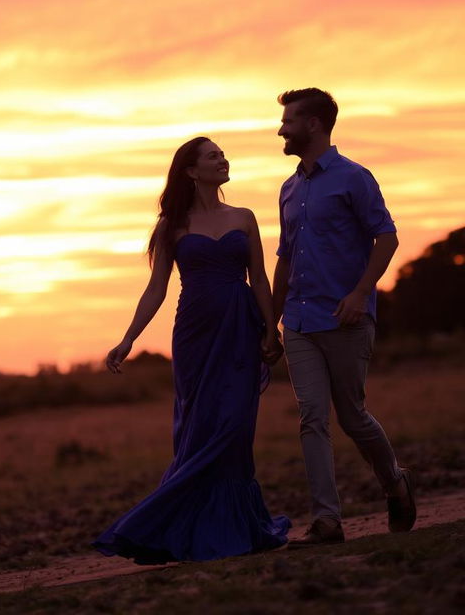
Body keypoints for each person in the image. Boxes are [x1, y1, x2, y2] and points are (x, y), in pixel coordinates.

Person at [93, 136, 290, 563]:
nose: (223, 160)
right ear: (191, 171)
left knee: (235, 427)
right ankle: (178, 526)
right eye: (213, 156)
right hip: (195, 336)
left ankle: (237, 523)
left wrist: (270, 330)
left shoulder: (244, 217)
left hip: (240, 328)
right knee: (199, 430)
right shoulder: (172, 226)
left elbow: (258, 277)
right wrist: (128, 339)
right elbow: (156, 289)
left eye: (223, 154)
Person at [272, 88, 416, 547]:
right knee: (312, 417)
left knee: (352, 416)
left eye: (289, 120)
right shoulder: (288, 189)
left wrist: (360, 293)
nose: (281, 129)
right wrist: (269, 322)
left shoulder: (355, 178)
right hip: (298, 320)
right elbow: (284, 259)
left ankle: (394, 480)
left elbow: (387, 238)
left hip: (346, 318)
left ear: (314, 124)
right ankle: (327, 522)